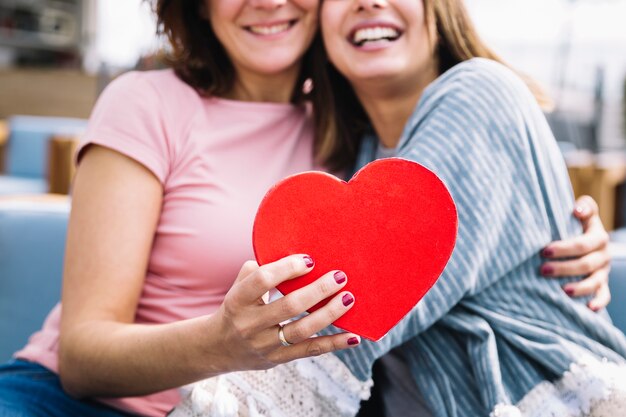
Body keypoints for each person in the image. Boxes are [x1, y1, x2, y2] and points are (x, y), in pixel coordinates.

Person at [0, 1, 615, 417]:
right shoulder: (147, 102)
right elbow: (80, 360)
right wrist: (222, 343)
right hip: (75, 401)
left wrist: (560, 229)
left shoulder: (352, 135)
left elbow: (425, 241)